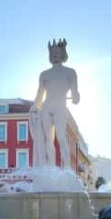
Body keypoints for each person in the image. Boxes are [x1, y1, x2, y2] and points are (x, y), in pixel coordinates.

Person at [31, 39, 80, 170]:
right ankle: (50, 168)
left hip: (60, 108)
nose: (55, 55)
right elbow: (39, 95)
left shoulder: (70, 72)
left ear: (63, 54)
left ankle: (68, 168)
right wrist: (35, 107)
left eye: (58, 52)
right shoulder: (44, 74)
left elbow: (75, 92)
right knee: (48, 139)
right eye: (52, 53)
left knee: (61, 137)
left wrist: (76, 97)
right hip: (46, 108)